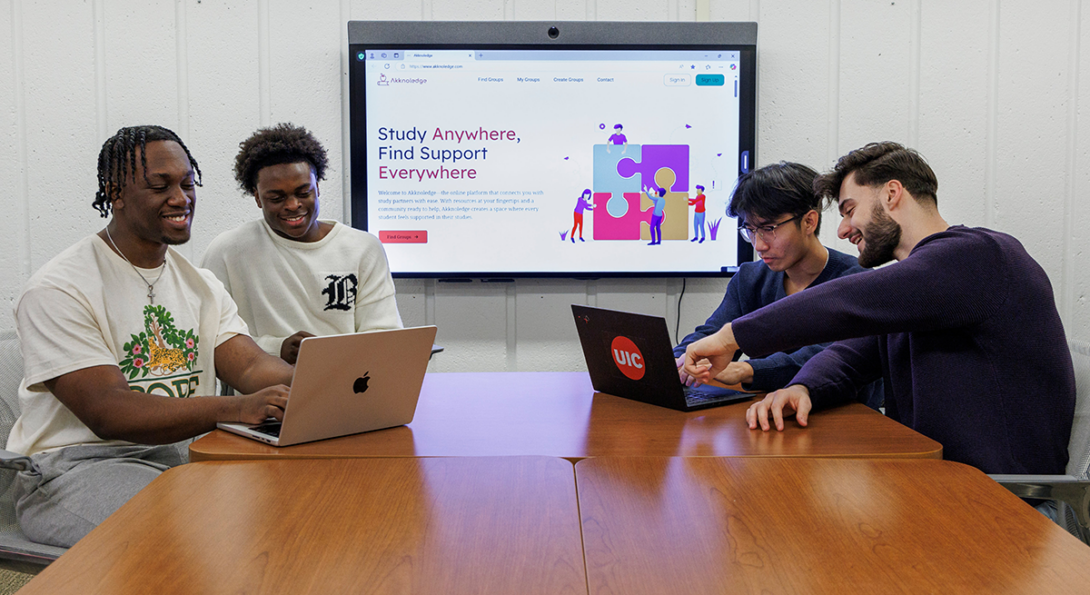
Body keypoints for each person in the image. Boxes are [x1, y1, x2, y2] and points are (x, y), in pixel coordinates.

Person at [683, 141, 1075, 476]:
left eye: (850, 209)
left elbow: (846, 303)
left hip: (1001, 499)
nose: (841, 229)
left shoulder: (979, 255)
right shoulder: (925, 289)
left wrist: (732, 336)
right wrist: (803, 387)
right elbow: (852, 354)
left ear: (891, 194)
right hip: (933, 480)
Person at [5, 125, 294, 548]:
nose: (181, 198)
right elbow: (109, 411)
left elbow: (250, 364)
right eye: (161, 186)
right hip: (74, 471)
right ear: (116, 193)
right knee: (201, 533)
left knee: (292, 499)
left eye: (187, 183)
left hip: (180, 458)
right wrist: (239, 407)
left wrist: (320, 386)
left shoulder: (201, 284)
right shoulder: (58, 288)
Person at [674, 162, 881, 409]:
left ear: (809, 222)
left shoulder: (856, 280)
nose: (758, 244)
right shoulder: (750, 278)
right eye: (750, 230)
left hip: (843, 417)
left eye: (768, 229)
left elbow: (830, 357)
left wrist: (746, 369)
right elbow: (713, 333)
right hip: (768, 414)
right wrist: (678, 360)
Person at [201, 123, 402, 365]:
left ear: (317, 187)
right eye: (276, 198)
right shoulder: (228, 251)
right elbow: (210, 337)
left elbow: (385, 337)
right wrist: (278, 348)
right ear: (257, 197)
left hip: (348, 391)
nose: (293, 205)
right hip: (263, 396)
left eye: (303, 192)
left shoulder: (363, 248)